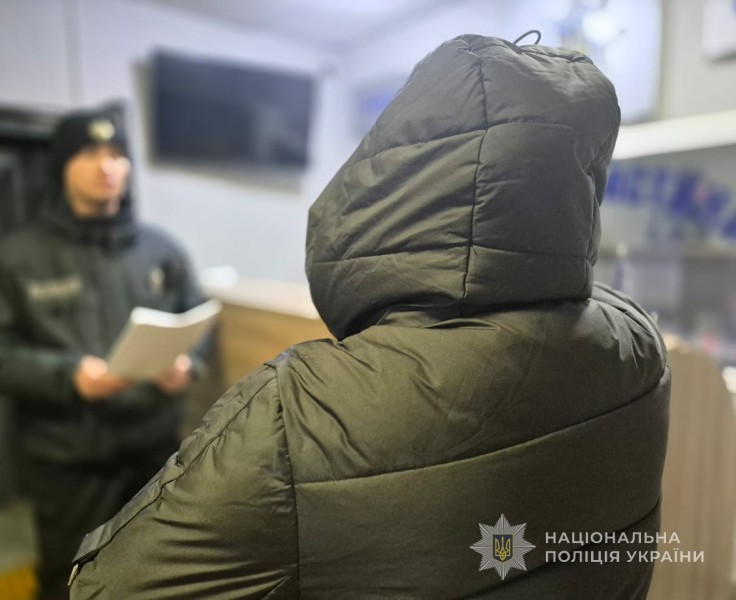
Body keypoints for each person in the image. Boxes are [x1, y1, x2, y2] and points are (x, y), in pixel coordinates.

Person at [69, 35, 670, 599]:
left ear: (384, 182)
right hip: (72, 453)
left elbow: (107, 587)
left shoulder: (296, 414)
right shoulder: (638, 344)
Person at [0, 106, 209, 600]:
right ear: (62, 167)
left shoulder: (161, 250)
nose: (106, 166)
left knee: (163, 574)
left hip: (155, 454)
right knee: (71, 582)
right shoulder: (17, 258)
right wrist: (69, 376)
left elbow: (197, 322)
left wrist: (187, 364)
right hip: (69, 463)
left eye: (116, 154)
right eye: (89, 154)